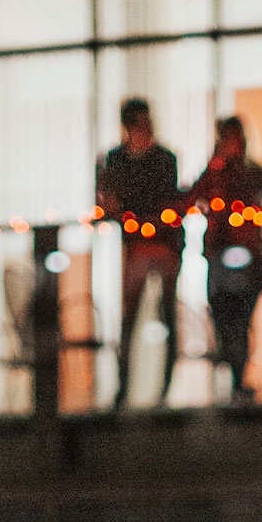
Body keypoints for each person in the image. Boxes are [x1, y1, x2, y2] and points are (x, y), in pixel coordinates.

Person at [96, 99, 184, 409]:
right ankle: (124, 390)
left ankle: (164, 390)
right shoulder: (116, 161)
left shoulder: (163, 159)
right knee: (129, 320)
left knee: (166, 315)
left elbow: (165, 200)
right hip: (135, 247)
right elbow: (112, 201)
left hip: (163, 245)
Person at [185, 116, 262, 403]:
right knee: (223, 316)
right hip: (218, 253)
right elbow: (192, 197)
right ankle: (231, 377)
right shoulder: (213, 173)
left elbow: (257, 186)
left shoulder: (253, 172)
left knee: (242, 318)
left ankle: (239, 378)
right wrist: (214, 165)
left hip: (249, 253)